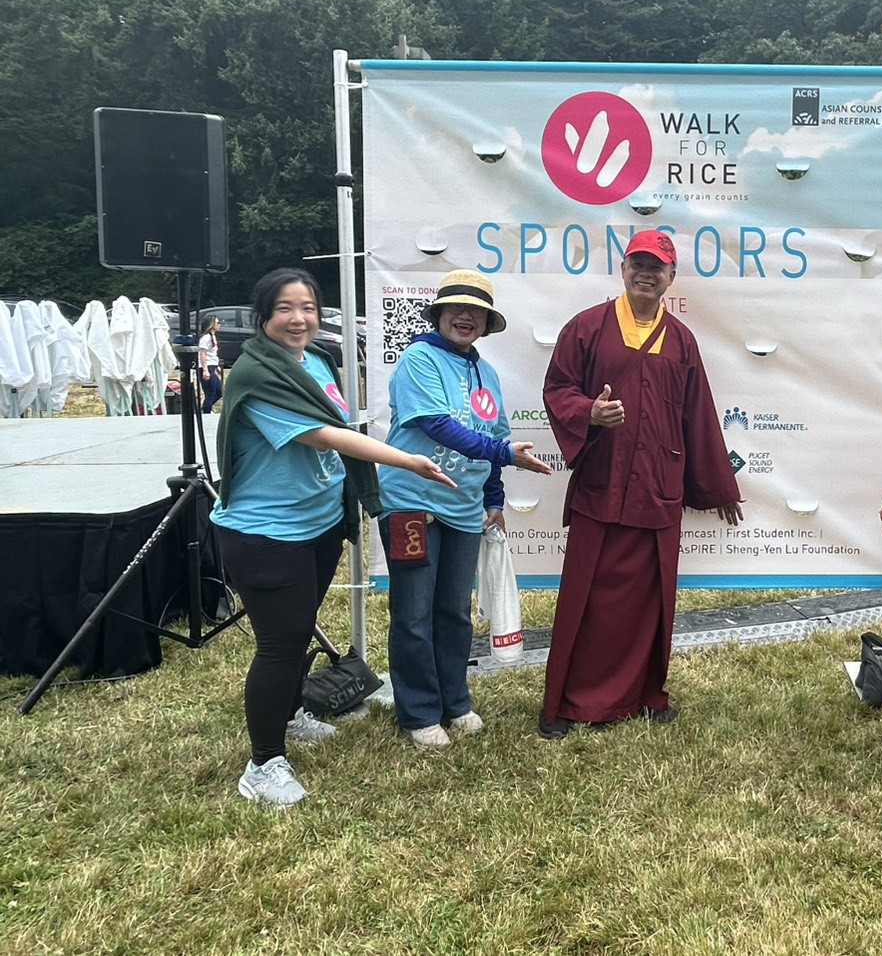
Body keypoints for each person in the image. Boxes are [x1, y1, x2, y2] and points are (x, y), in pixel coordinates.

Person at [213, 268, 456, 807]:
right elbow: (327, 436)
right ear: (262, 314)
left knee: (299, 630)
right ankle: (263, 764)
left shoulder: (318, 361)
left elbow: (339, 423)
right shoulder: (255, 376)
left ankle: (290, 715)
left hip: (319, 524)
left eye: (308, 307)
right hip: (267, 533)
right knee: (280, 646)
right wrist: (408, 461)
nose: (299, 319)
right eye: (285, 308)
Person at [540, 230, 743, 740]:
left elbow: (698, 415)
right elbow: (558, 389)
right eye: (639, 263)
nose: (646, 274)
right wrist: (590, 412)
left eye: (657, 267)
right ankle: (566, 702)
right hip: (602, 485)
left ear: (671, 277)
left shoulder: (682, 340)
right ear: (623, 268)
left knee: (652, 602)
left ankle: (645, 695)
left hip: (658, 488)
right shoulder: (587, 327)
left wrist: (719, 486)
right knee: (586, 599)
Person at [378, 270, 551, 750]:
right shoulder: (418, 358)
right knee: (413, 614)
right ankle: (418, 713)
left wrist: (493, 499)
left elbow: (495, 437)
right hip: (410, 503)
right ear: (438, 314)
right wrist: (504, 455)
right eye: (456, 308)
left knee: (454, 612)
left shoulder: (486, 373)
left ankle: (455, 703)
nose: (466, 317)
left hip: (464, 508)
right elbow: (436, 424)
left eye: (476, 312)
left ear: (487, 323)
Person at [197, 314, 223, 414]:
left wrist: (217, 367)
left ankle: (205, 408)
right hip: (206, 367)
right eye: (217, 323)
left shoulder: (213, 337)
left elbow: (213, 354)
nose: (219, 325)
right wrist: (205, 370)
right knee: (210, 394)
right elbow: (202, 354)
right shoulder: (205, 338)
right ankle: (206, 411)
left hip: (212, 366)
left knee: (219, 391)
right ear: (211, 325)